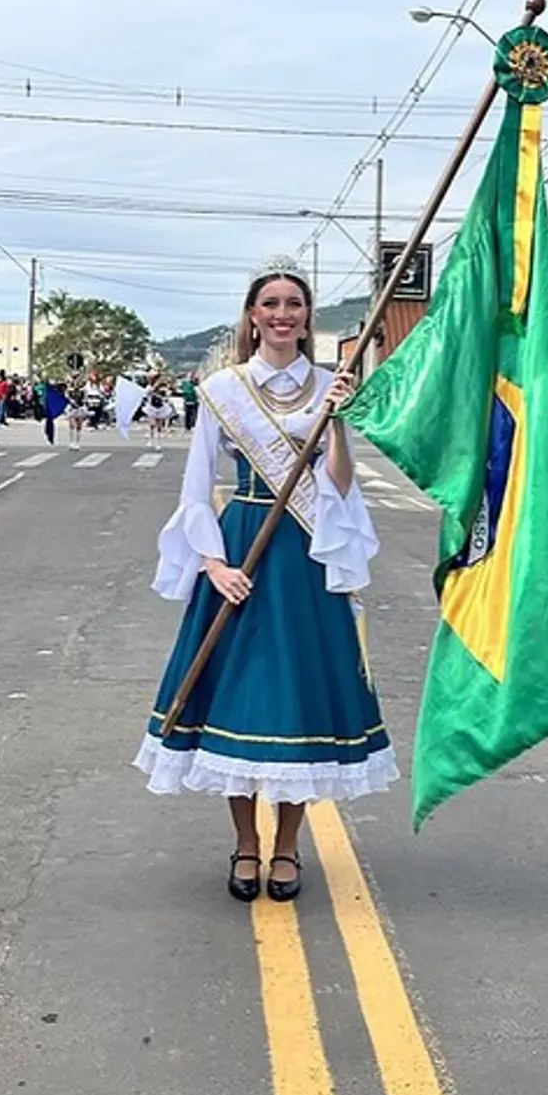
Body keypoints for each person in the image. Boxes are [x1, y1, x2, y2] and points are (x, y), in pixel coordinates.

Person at [134, 258, 397, 903]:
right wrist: (213, 564)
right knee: (235, 702)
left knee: (300, 704)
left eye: (294, 304)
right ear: (252, 316)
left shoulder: (331, 386)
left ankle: (287, 849)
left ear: (308, 318)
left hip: (304, 559)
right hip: (243, 550)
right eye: (271, 303)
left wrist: (335, 419)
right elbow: (197, 486)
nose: (283, 314)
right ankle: (246, 845)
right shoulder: (224, 390)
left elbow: (337, 485)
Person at [66, 387, 89, 452]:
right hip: (72, 409)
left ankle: (77, 443)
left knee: (79, 426)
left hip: (80, 408)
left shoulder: (83, 391)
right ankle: (71, 442)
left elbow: (85, 399)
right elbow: (67, 397)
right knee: (72, 425)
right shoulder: (69, 391)